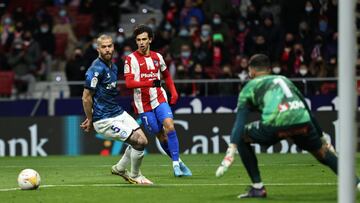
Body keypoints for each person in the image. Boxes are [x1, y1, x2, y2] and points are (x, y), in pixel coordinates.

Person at [215, 54, 349, 198]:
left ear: (252, 71)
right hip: (302, 122)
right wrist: (323, 138)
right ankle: (356, 183)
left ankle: (258, 187)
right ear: (269, 69)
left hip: (276, 125)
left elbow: (240, 120)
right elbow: (307, 110)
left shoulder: (249, 87)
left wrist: (232, 149)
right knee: (323, 154)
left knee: (242, 136)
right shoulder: (285, 80)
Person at [81, 34, 153, 185]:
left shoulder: (113, 66)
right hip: (104, 119)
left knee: (143, 140)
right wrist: (91, 118)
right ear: (98, 49)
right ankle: (135, 175)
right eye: (104, 47)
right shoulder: (95, 69)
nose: (107, 49)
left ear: (113, 47)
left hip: (117, 112)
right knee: (138, 142)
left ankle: (120, 168)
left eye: (109, 46)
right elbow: (86, 97)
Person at [124, 25, 192, 177]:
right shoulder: (130, 59)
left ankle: (175, 165)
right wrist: (148, 83)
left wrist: (173, 92)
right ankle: (179, 161)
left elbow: (166, 76)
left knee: (170, 126)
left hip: (159, 98)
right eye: (138, 40)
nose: (141, 43)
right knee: (159, 133)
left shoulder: (158, 57)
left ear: (150, 40)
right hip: (143, 104)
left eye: (144, 39)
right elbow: (128, 83)